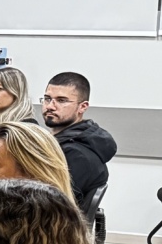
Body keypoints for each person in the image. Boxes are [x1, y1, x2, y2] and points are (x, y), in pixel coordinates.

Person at [42, 72, 117, 204]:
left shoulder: (75, 154)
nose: (50, 106)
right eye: (47, 98)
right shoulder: (62, 143)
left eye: (61, 100)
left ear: (82, 107)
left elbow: (49, 204)